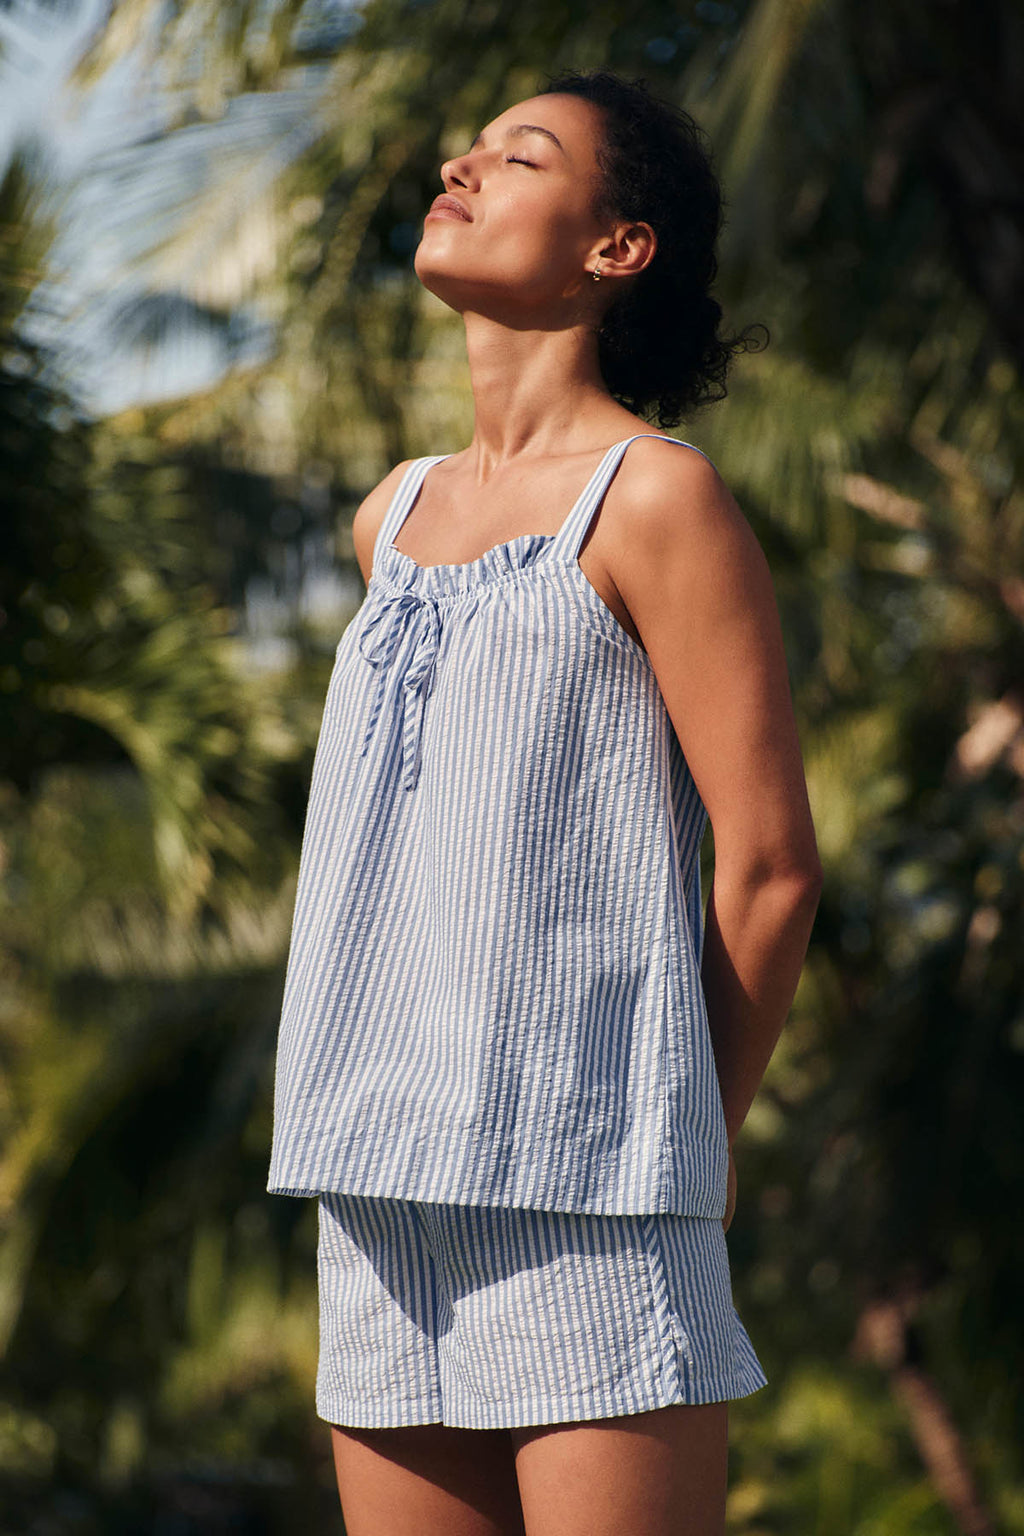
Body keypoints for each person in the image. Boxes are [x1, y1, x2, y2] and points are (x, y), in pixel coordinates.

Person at [267, 67, 822, 1536]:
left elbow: (769, 864)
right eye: (469, 150)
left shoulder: (653, 497)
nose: (460, 168)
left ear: (616, 247)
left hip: (592, 1184)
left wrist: (690, 1147)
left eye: (518, 158)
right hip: (375, 1176)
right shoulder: (391, 516)